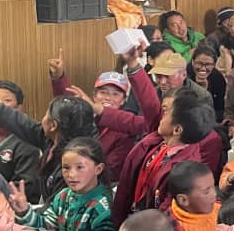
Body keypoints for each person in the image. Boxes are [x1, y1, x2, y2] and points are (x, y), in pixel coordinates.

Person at [0, 87, 96, 203]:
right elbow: (9, 117)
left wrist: (26, 216)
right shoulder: (49, 138)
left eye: (46, 114)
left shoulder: (74, 165)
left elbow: (58, 210)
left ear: (53, 125)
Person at [111, 90, 217, 227]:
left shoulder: (185, 171)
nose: (161, 116)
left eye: (167, 114)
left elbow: (164, 215)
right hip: (131, 213)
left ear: (177, 130)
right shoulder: (155, 144)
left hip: (147, 230)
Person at [47, 47, 154, 180]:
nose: (108, 97)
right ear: (94, 95)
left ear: (124, 100)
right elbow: (67, 108)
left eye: (115, 94)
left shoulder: (125, 129)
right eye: (103, 92)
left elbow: (112, 170)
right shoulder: (85, 116)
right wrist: (59, 78)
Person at [167, 161, 221, 231]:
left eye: (213, 186)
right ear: (183, 200)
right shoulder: (169, 229)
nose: (214, 194)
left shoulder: (220, 210)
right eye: (206, 192)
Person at [187, 44, 227, 122]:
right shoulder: (184, 75)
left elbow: (220, 108)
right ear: (192, 62)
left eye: (208, 64)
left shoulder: (217, 78)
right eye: (199, 63)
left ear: (214, 65)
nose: (203, 68)